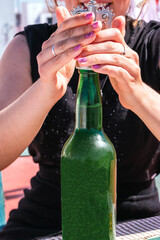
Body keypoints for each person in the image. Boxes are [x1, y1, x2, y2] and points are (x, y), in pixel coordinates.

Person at [0, 0, 160, 239]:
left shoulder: (153, 45)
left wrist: (138, 92)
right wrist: (45, 90)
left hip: (142, 224)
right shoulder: (26, 48)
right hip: (44, 225)